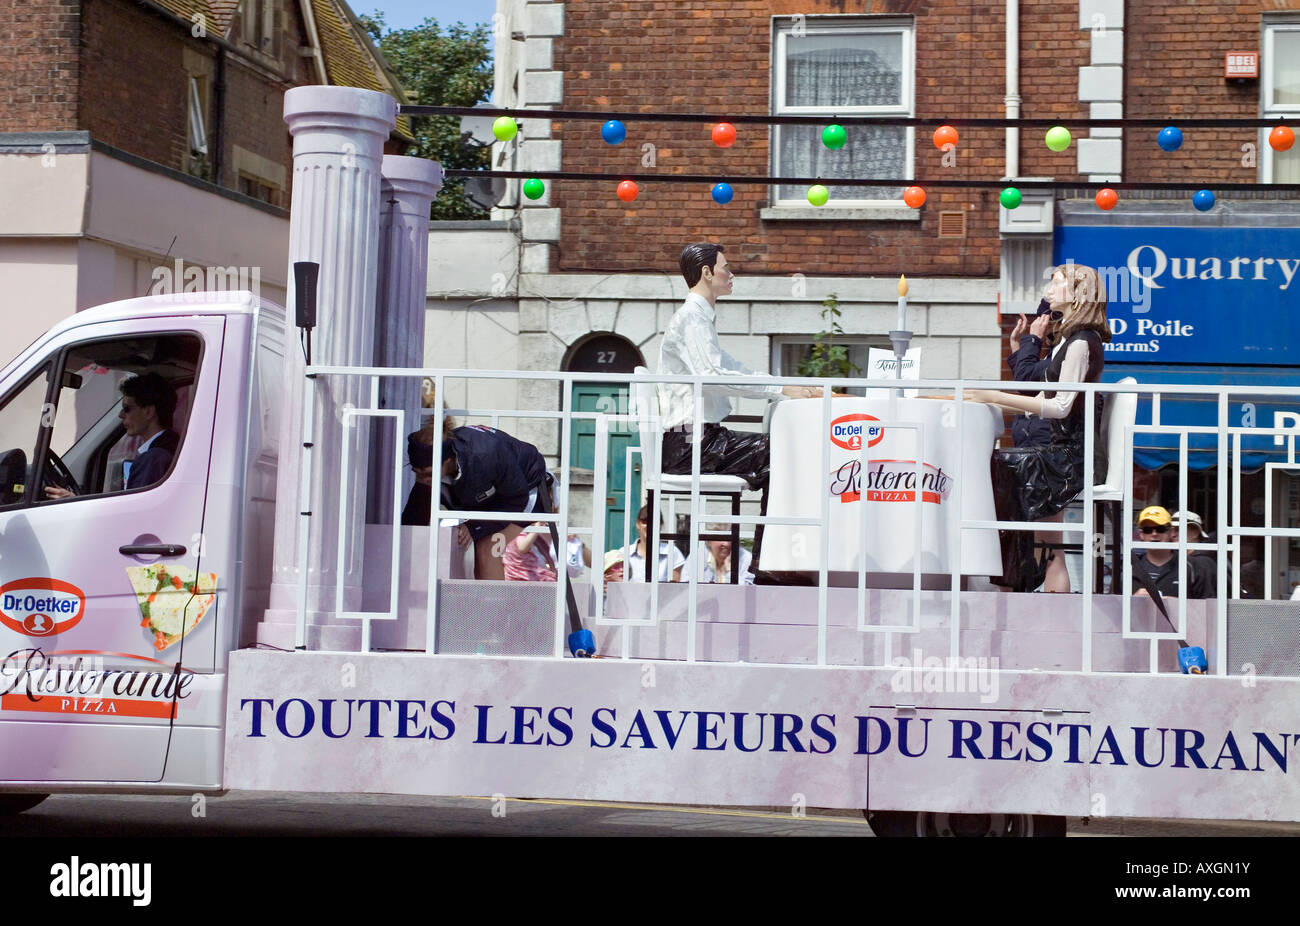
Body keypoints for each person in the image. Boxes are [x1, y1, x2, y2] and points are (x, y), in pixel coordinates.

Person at [657, 243, 830, 561]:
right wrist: (781, 391)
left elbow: (733, 369)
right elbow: (714, 375)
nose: (731, 273)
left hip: (697, 440)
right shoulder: (692, 320)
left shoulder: (699, 319)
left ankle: (773, 558)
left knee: (780, 453)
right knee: (783, 453)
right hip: (690, 444)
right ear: (707, 273)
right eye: (725, 266)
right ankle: (771, 562)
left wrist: (786, 387)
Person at [970, 263, 1111, 593]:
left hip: (1069, 456)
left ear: (1078, 295)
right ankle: (1019, 565)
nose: (1048, 291)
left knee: (1005, 465)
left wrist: (995, 395)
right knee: (1048, 543)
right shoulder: (1066, 342)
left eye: (1057, 283)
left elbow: (1060, 406)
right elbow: (1039, 393)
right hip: (1059, 451)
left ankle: (1017, 570)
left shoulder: (1081, 343)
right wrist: (991, 400)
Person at [407, 423, 549, 581]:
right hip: (497, 491)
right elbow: (414, 519)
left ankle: (495, 605)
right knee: (478, 548)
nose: (425, 479)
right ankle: (481, 602)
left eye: (429, 473)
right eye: (417, 473)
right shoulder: (432, 466)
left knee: (488, 548)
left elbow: (517, 499)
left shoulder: (485, 456)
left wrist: (473, 526)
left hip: (527, 487)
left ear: (447, 460)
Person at [45, 372, 180, 499]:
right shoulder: (173, 450)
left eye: (127, 408)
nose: (121, 415)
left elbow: (129, 517)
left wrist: (74, 503)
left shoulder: (153, 460)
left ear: (149, 412)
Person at [1131, 506, 1214, 599]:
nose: (1154, 534)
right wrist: (1132, 601)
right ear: (1141, 534)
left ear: (1171, 532)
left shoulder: (1193, 567)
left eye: (1160, 529)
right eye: (1147, 530)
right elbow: (1113, 607)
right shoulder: (1129, 567)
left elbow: (1213, 607)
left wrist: (1178, 605)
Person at [619, 505, 685, 583]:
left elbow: (676, 588)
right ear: (638, 524)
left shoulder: (672, 552)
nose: (650, 526)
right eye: (645, 521)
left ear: (661, 525)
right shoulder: (623, 553)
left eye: (654, 522)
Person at [1171, 509, 1217, 597]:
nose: (1172, 535)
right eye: (1171, 530)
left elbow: (1207, 601)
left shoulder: (1203, 562)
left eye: (1178, 529)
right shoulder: (1182, 559)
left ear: (1195, 532)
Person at [684, 529, 755, 585]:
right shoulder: (699, 555)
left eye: (729, 539)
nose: (726, 544)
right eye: (721, 538)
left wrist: (730, 572)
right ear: (709, 541)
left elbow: (749, 590)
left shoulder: (745, 557)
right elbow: (685, 585)